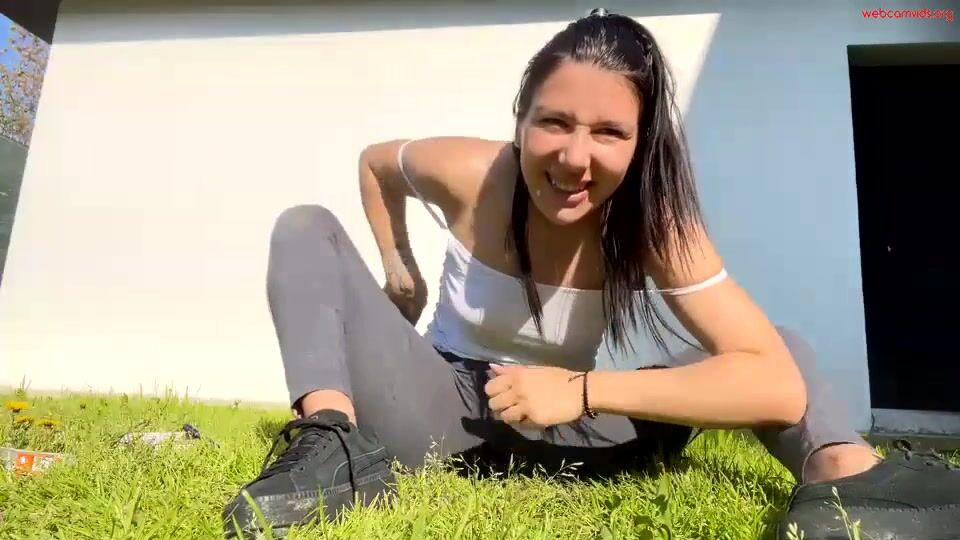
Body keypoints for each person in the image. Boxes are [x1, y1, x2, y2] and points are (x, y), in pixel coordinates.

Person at [222, 9, 959, 540]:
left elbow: (775, 385)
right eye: (554, 122)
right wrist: (401, 273)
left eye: (609, 132)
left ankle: (845, 484)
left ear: (641, 143)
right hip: (441, 409)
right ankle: (331, 447)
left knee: (777, 345)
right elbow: (375, 165)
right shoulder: (469, 172)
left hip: (573, 427)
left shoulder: (654, 224)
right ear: (521, 117)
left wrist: (580, 390)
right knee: (305, 224)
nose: (574, 159)